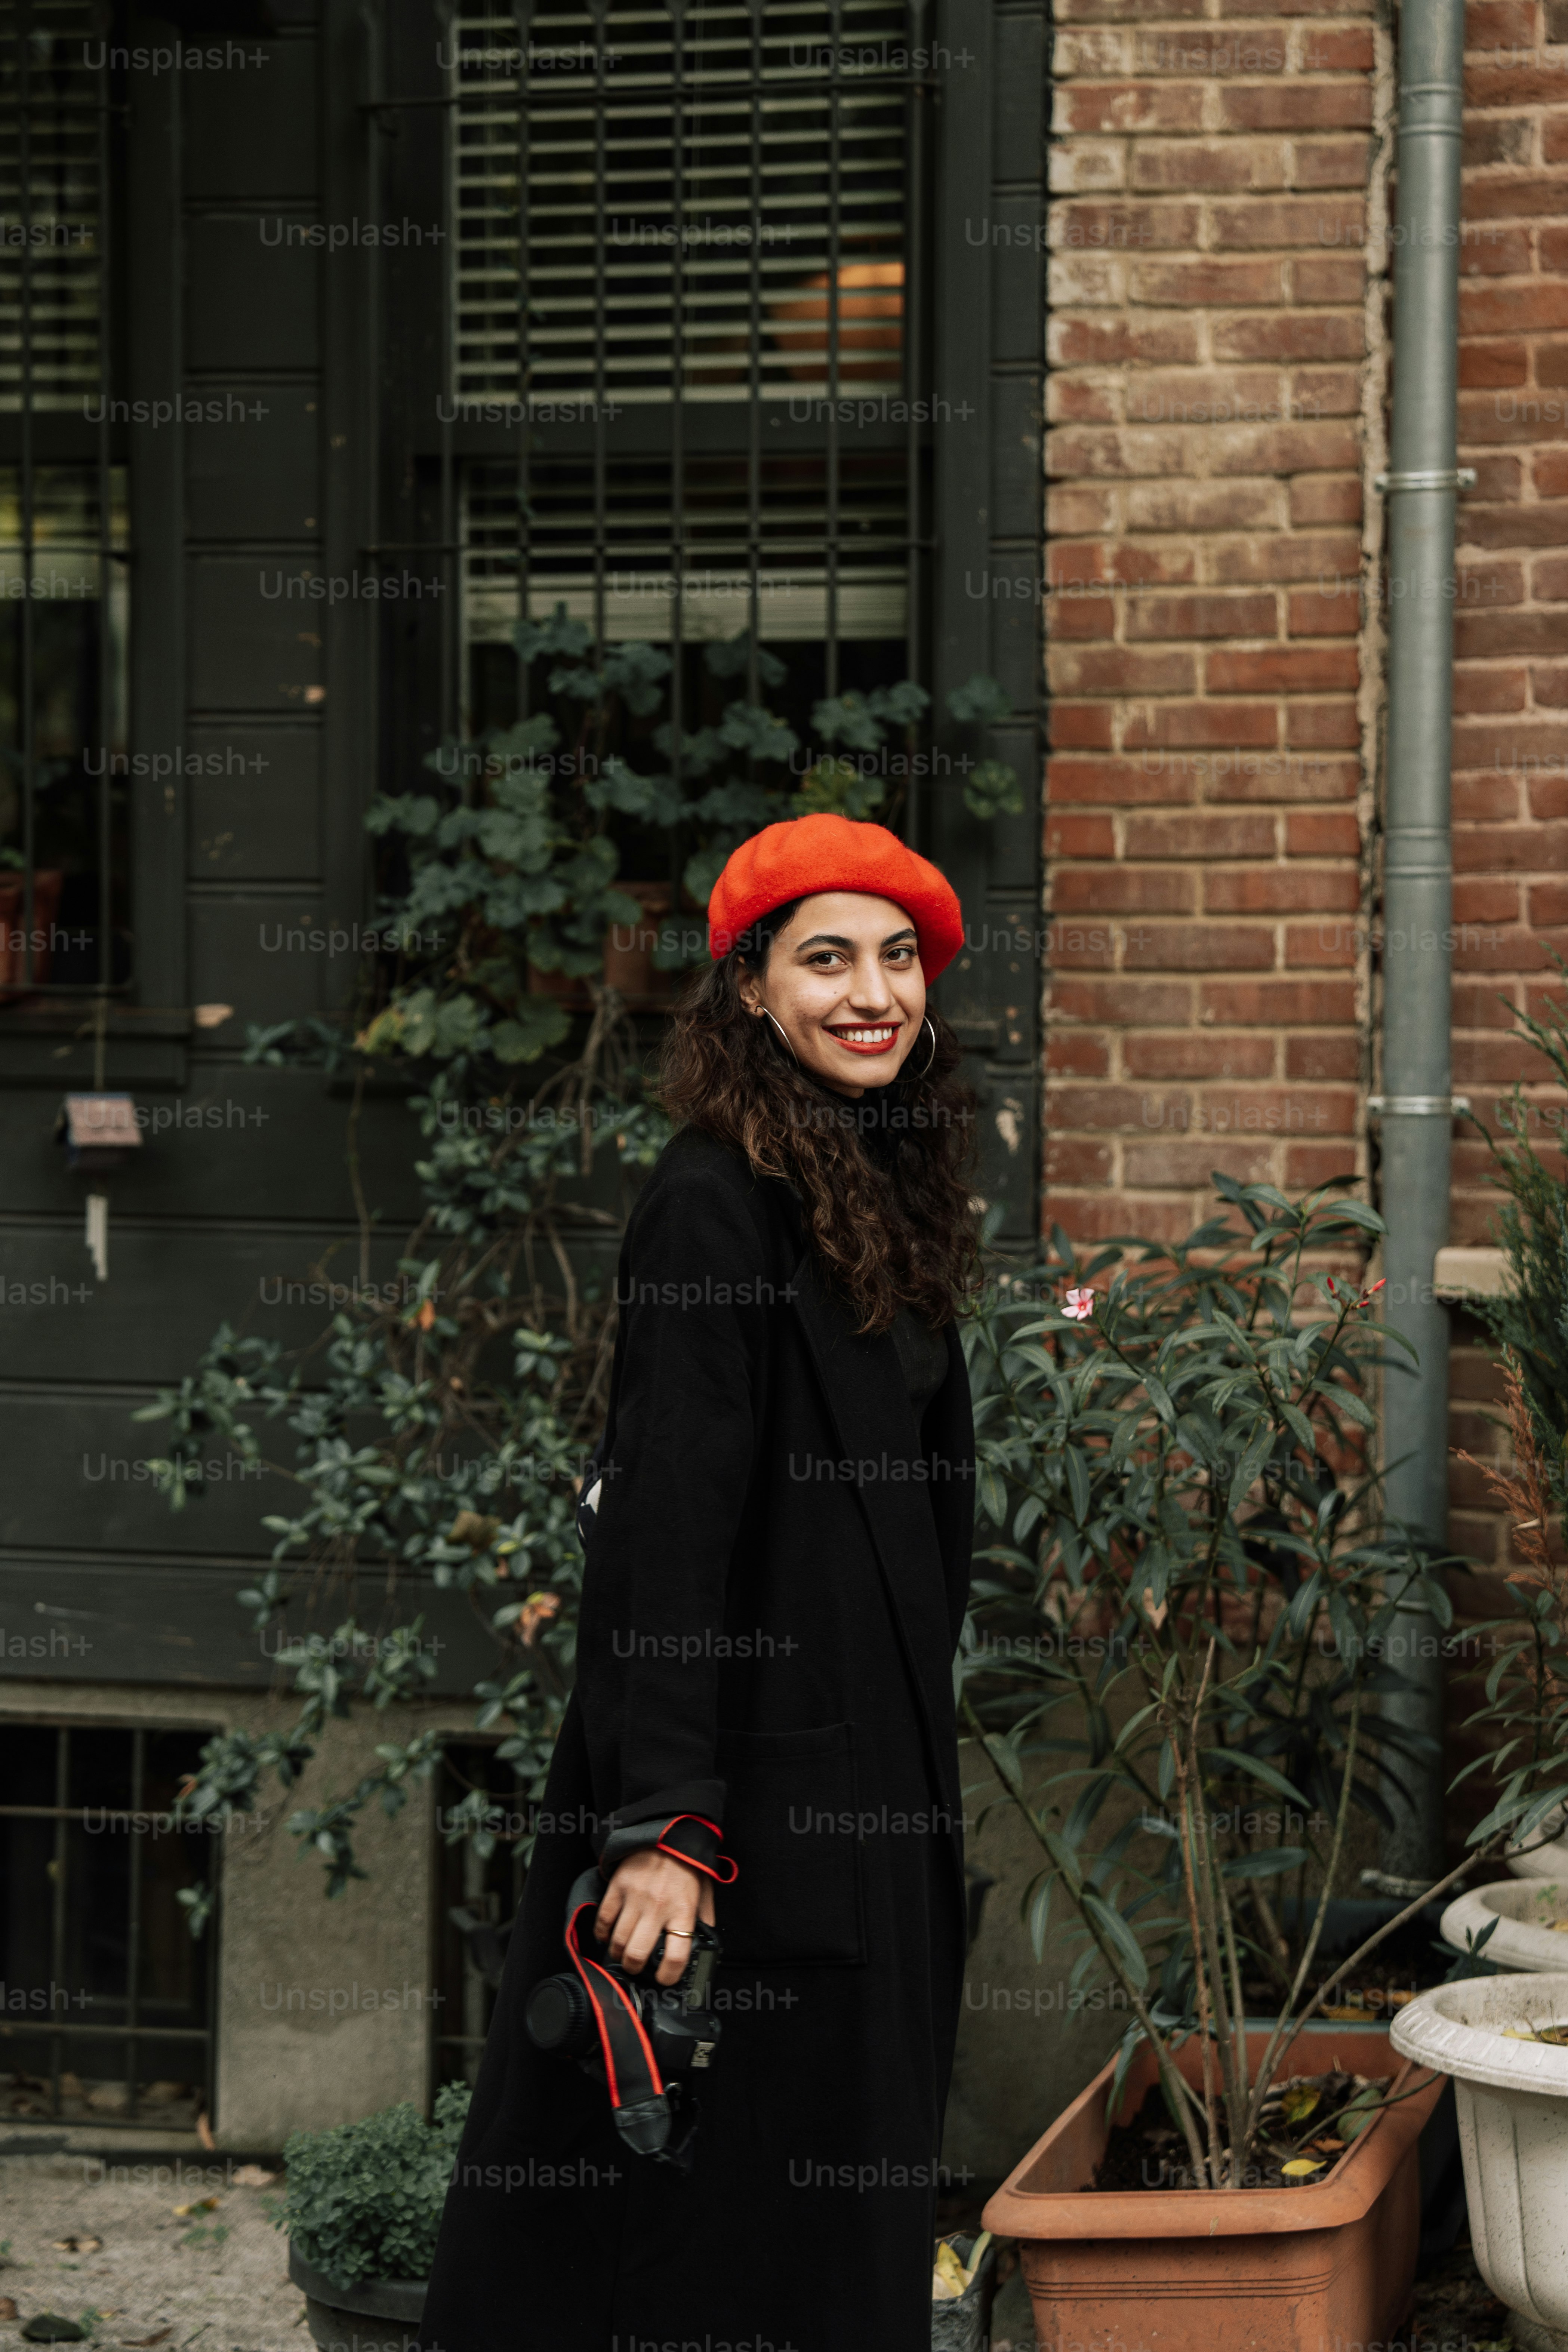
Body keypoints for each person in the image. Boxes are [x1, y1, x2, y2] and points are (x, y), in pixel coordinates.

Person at [418, 813, 979, 2352]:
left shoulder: (885, 1180)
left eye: (894, 959)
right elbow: (661, 1527)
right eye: (823, 960)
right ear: (745, 988)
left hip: (867, 1792)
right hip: (745, 1813)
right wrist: (664, 1825)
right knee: (704, 2238)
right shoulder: (710, 1201)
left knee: (824, 2234)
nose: (871, 993)